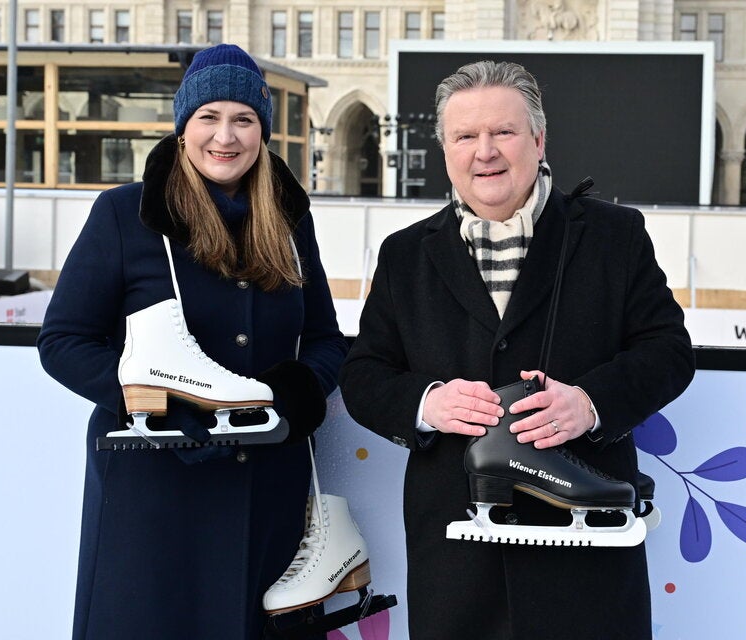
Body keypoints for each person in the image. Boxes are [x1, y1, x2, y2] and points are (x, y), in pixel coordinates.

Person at [339, 60, 695, 639]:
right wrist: (428, 403)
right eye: (465, 136)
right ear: (445, 148)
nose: (485, 151)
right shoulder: (404, 254)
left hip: (584, 553)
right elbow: (364, 375)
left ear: (538, 138)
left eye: (502, 132)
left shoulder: (614, 235)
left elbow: (669, 351)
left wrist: (590, 402)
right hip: (457, 553)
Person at [37, 44, 347, 640]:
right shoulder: (126, 214)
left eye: (243, 119)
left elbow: (327, 339)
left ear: (263, 131)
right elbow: (65, 341)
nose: (224, 136)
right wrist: (158, 400)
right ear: (183, 128)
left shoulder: (288, 221)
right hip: (152, 497)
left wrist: (298, 392)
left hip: (265, 493)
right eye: (208, 117)